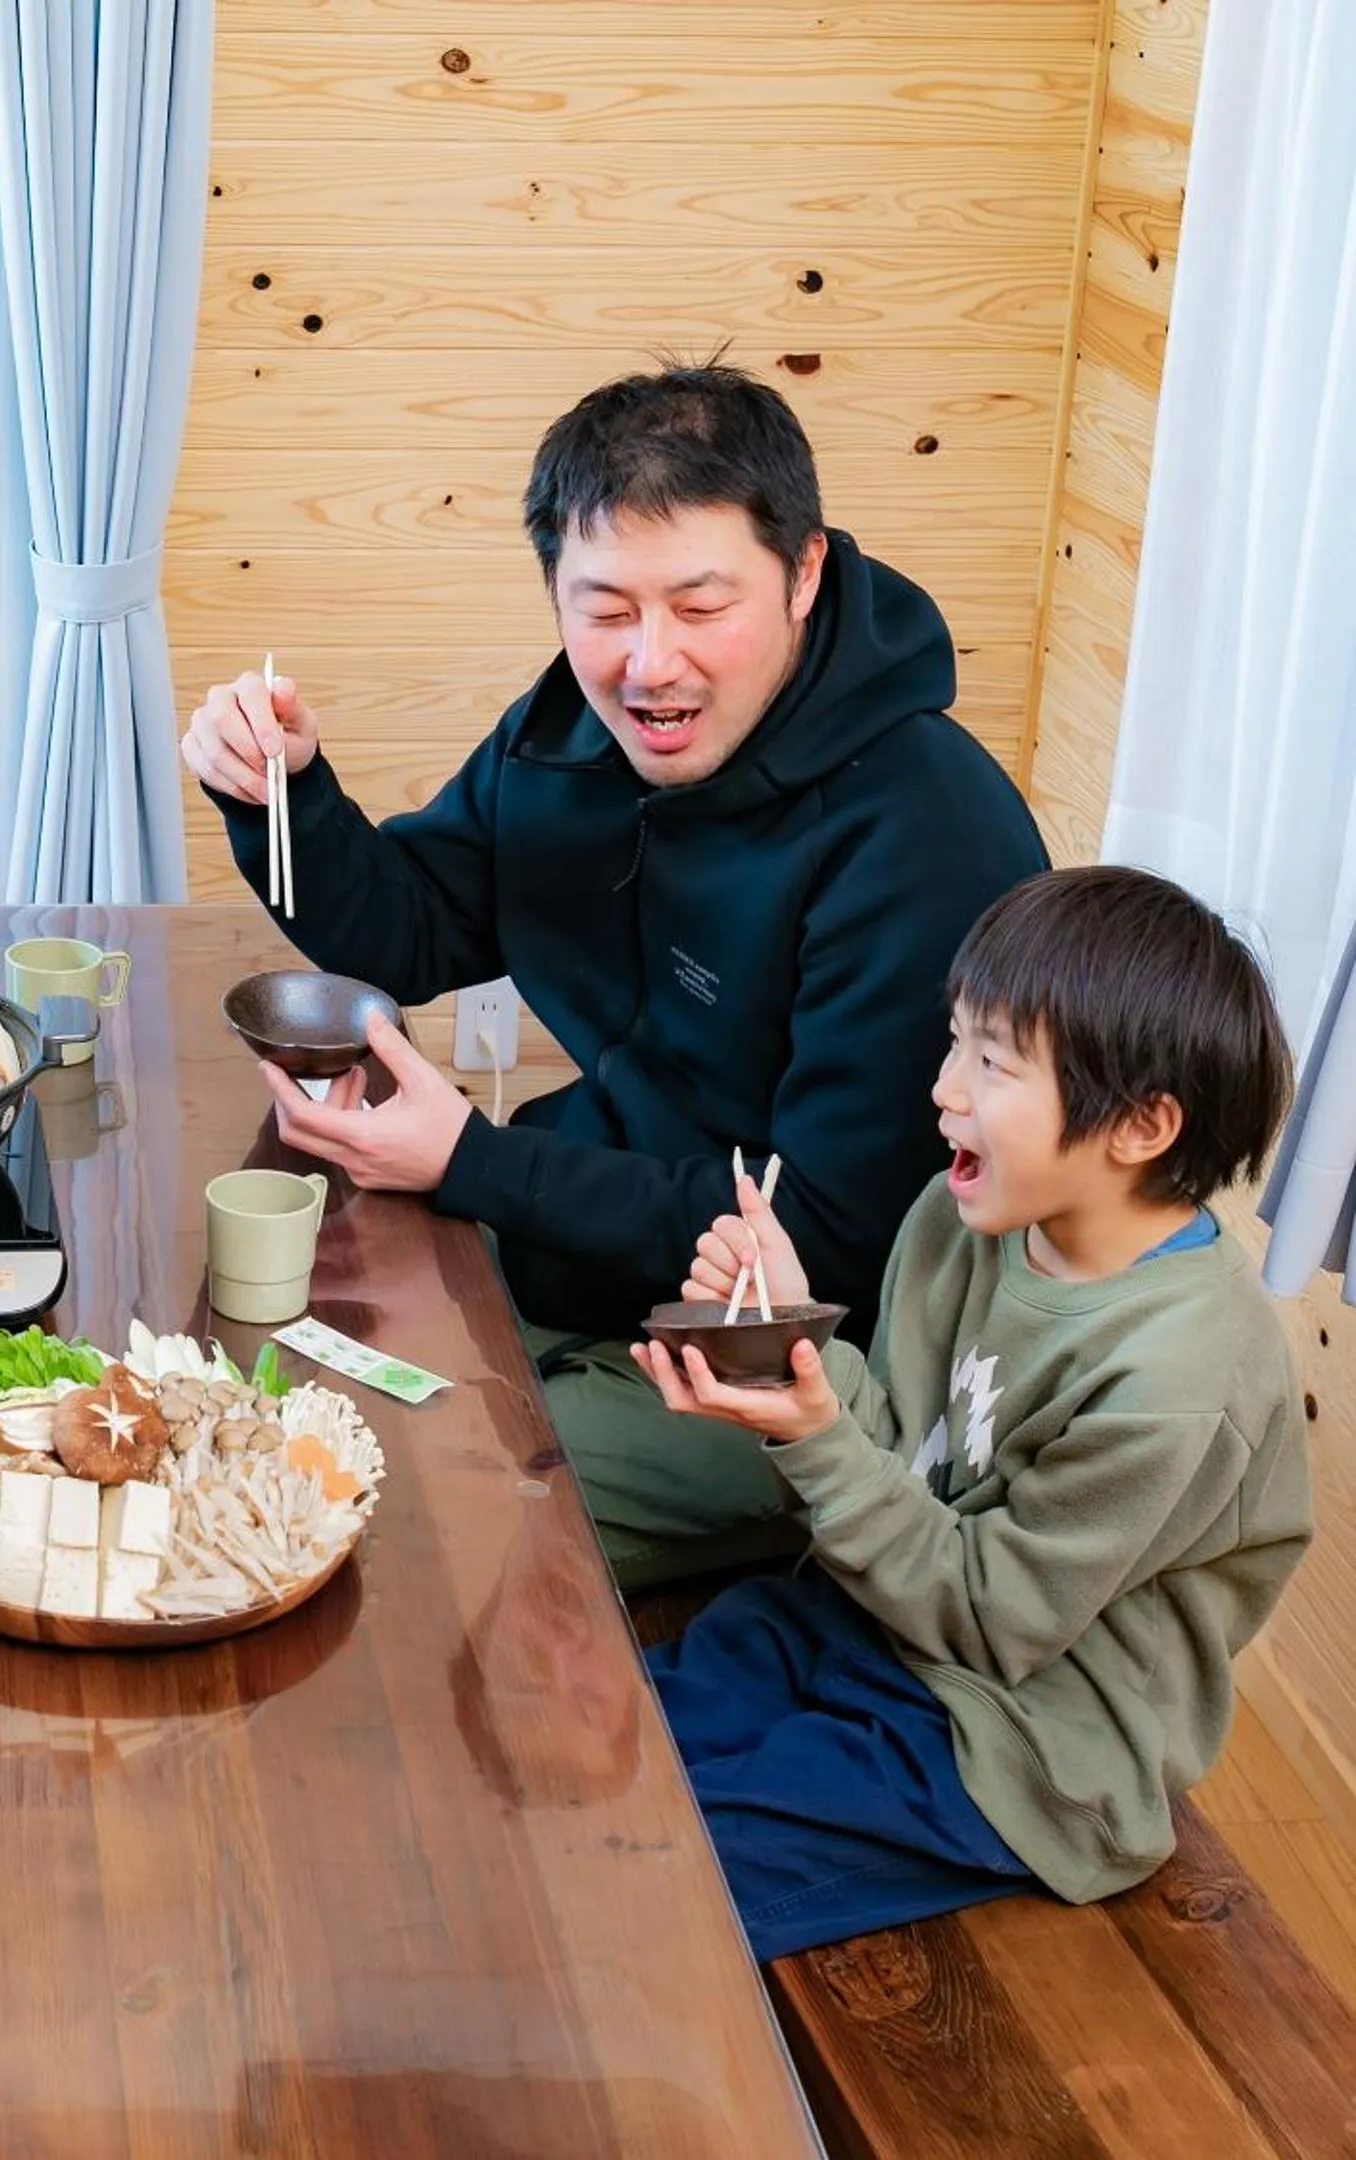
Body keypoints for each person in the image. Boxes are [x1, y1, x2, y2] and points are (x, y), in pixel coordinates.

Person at [179, 361, 1049, 1586]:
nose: (649, 667)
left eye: (702, 608)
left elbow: (832, 1240)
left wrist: (472, 1163)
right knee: (272, 1385)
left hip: (802, 1346)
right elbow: (417, 928)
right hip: (600, 1240)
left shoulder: (924, 831)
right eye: (605, 608)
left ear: (803, 573)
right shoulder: (577, 730)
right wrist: (283, 792)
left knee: (405, 1509)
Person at [629, 867, 1306, 1958]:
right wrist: (783, 1342)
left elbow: (992, 1624)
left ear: (1139, 1126)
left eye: (993, 1063)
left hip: (1020, 1742)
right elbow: (902, 1445)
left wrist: (809, 1431)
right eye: (956, 1043)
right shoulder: (963, 1216)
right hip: (876, 1618)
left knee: (662, 1876)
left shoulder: (1181, 1380)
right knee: (603, 1735)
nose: (945, 1089)